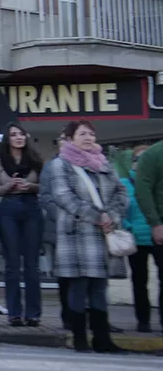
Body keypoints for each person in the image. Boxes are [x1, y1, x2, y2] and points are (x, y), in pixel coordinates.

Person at [47, 120, 129, 354]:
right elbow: (64, 197)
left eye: (91, 134)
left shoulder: (103, 163)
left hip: (102, 234)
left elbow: (120, 192)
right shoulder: (60, 164)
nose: (89, 138)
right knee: (78, 287)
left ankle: (102, 339)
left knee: (99, 288)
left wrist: (111, 215)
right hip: (77, 234)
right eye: (83, 134)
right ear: (71, 138)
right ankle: (80, 338)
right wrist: (97, 216)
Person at [0, 123, 43, 326]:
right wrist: (9, 186)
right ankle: (14, 312)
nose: (18, 137)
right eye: (14, 135)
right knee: (12, 264)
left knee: (32, 264)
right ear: (8, 139)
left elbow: (46, 187)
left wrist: (30, 186)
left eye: (21, 134)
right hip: (8, 208)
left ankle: (33, 313)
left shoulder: (36, 160)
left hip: (31, 207)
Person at [121, 146, 159, 333]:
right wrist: (129, 228)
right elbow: (120, 210)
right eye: (139, 159)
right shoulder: (124, 184)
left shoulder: (157, 180)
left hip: (157, 236)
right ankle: (142, 320)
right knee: (139, 281)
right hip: (136, 239)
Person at [39, 131, 69, 328]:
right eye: (63, 140)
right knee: (66, 276)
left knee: (94, 278)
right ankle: (70, 317)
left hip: (90, 229)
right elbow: (46, 196)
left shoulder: (93, 163)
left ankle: (97, 318)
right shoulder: (51, 167)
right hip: (60, 228)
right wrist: (65, 217)